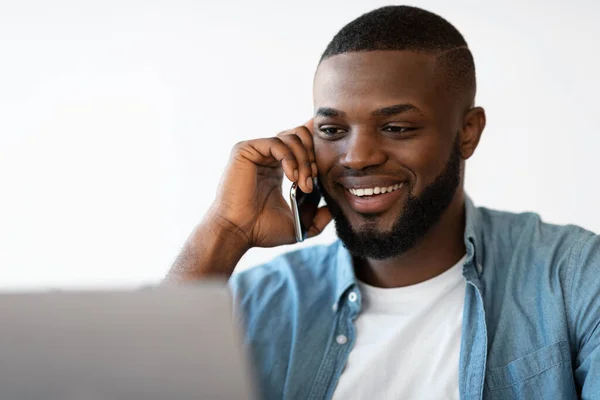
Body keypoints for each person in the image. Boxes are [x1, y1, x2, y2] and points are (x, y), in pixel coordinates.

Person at [167, 5, 600, 400]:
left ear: (467, 131)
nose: (357, 157)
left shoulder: (573, 278)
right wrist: (227, 231)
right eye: (333, 131)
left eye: (396, 127)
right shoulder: (258, 302)